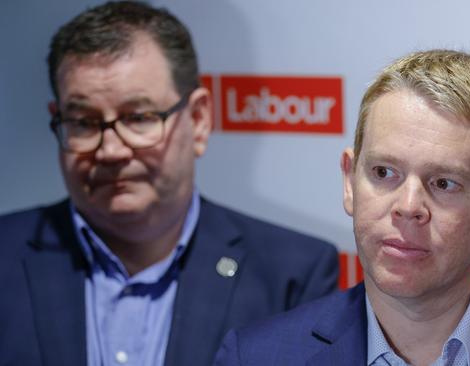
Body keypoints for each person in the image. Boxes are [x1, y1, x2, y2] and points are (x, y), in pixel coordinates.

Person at [213, 50, 470, 365]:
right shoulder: (252, 357)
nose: (408, 207)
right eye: (383, 173)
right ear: (349, 181)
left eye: (444, 183)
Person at [0, 2, 339, 366]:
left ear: (199, 119)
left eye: (139, 118)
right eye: (83, 122)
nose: (111, 150)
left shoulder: (292, 276)